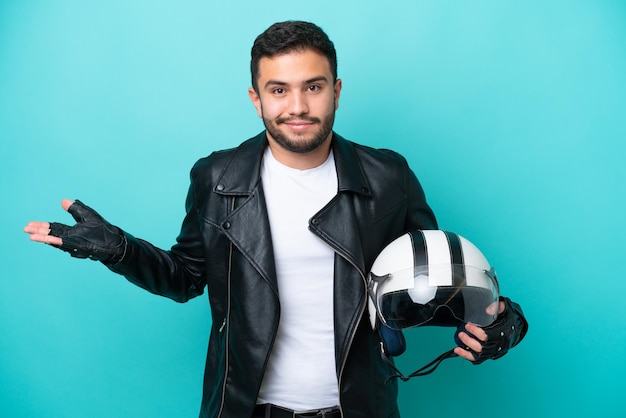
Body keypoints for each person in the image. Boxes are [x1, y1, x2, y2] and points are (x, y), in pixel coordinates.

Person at [24, 21, 527, 418]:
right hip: (244, 410)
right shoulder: (217, 177)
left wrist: (501, 322)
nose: (298, 106)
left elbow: (432, 286)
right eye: (279, 90)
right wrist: (119, 249)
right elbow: (187, 278)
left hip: (360, 408)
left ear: (336, 90)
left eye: (313, 87)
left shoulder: (387, 177)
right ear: (256, 98)